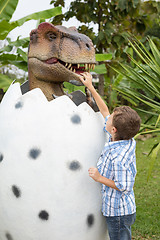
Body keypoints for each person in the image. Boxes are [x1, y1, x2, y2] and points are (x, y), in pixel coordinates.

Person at [79, 72, 141, 240]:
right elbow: (104, 109)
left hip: (118, 213)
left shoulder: (119, 158)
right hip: (117, 210)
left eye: (109, 119)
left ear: (113, 130)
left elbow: (124, 186)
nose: (106, 118)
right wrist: (90, 87)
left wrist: (99, 178)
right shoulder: (120, 136)